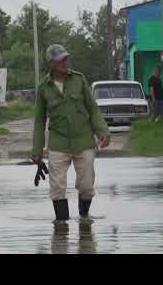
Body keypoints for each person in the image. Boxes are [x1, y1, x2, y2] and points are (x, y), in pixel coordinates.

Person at [31, 44, 111, 222]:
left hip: (83, 141)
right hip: (58, 143)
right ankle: (61, 227)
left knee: (86, 186)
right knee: (57, 187)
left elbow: (93, 109)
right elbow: (39, 121)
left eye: (65, 59)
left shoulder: (79, 80)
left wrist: (102, 132)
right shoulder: (43, 88)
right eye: (60, 60)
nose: (64, 63)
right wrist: (36, 151)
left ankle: (84, 218)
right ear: (51, 63)